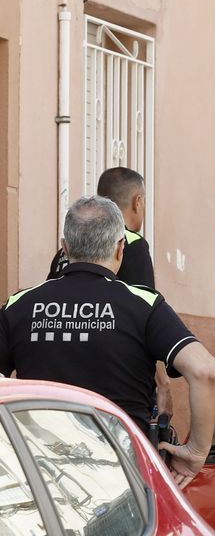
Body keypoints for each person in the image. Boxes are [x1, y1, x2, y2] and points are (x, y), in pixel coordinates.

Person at [0, 195, 215, 488]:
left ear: (65, 248)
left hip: (41, 475)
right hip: (124, 475)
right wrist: (195, 451)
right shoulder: (143, 304)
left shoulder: (19, 304)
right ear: (120, 248)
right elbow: (206, 372)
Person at [46, 167, 173, 419]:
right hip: (115, 389)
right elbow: (145, 315)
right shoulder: (132, 244)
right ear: (138, 202)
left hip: (61, 383)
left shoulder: (65, 252)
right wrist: (163, 382)